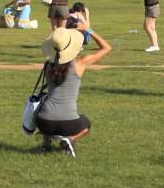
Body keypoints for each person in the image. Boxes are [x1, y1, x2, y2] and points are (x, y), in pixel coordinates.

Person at [33, 15, 114, 156]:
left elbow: (51, 45)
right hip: (68, 123)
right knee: (86, 123)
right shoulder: (79, 63)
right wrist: (88, 30)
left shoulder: (48, 65)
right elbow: (107, 48)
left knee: (48, 108)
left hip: (43, 122)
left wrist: (57, 34)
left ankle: (45, 145)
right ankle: (69, 138)